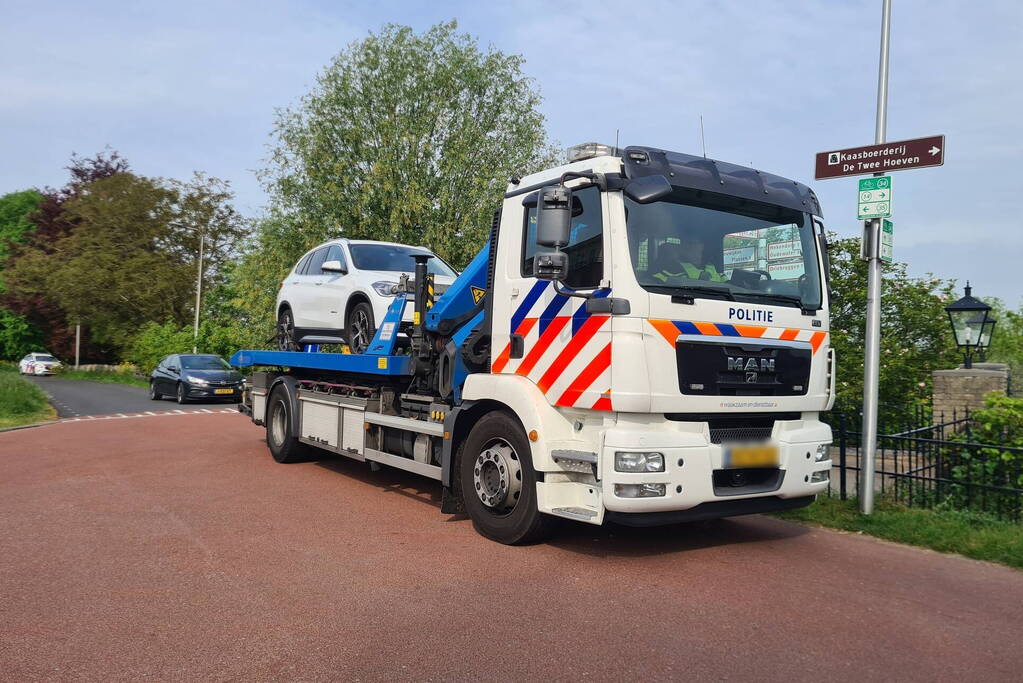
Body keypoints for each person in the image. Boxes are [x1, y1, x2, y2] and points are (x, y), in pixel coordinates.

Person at [652, 236, 727, 283]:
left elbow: (730, 286)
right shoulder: (671, 270)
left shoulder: (713, 269)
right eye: (691, 243)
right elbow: (656, 283)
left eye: (699, 243)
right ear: (683, 247)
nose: (696, 247)